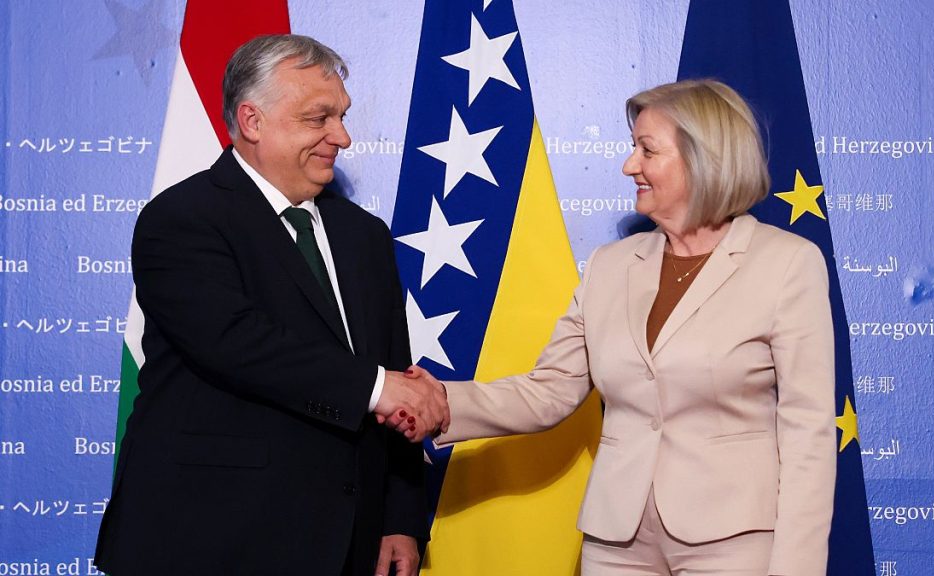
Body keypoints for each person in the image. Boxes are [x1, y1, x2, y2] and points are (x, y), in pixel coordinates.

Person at [400, 79, 837, 576]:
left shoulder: (787, 264)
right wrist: (437, 403)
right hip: (616, 540)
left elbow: (809, 433)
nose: (630, 165)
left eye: (646, 150)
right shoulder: (611, 264)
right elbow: (550, 391)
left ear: (703, 157)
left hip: (734, 541)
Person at [94, 34, 447, 576]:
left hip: (344, 542)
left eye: (342, 116)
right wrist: (378, 388)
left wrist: (399, 515)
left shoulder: (364, 235)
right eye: (319, 118)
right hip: (209, 537)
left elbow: (392, 371)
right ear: (253, 121)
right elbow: (235, 343)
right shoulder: (184, 219)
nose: (343, 137)